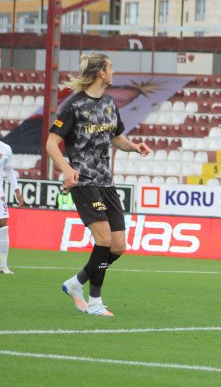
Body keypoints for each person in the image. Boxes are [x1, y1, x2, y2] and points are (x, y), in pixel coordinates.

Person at [46, 53, 152, 316]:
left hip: (106, 183)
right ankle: (95, 301)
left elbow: (116, 138)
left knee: (117, 246)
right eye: (111, 68)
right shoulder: (74, 106)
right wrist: (67, 169)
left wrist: (134, 147)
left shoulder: (109, 103)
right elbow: (51, 143)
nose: (114, 72)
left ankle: (75, 283)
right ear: (101, 73)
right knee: (103, 239)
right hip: (85, 183)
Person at [0, 119, 24, 274]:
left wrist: (17, 191)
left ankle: (3, 266)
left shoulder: (6, 149)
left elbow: (9, 170)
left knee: (3, 228)